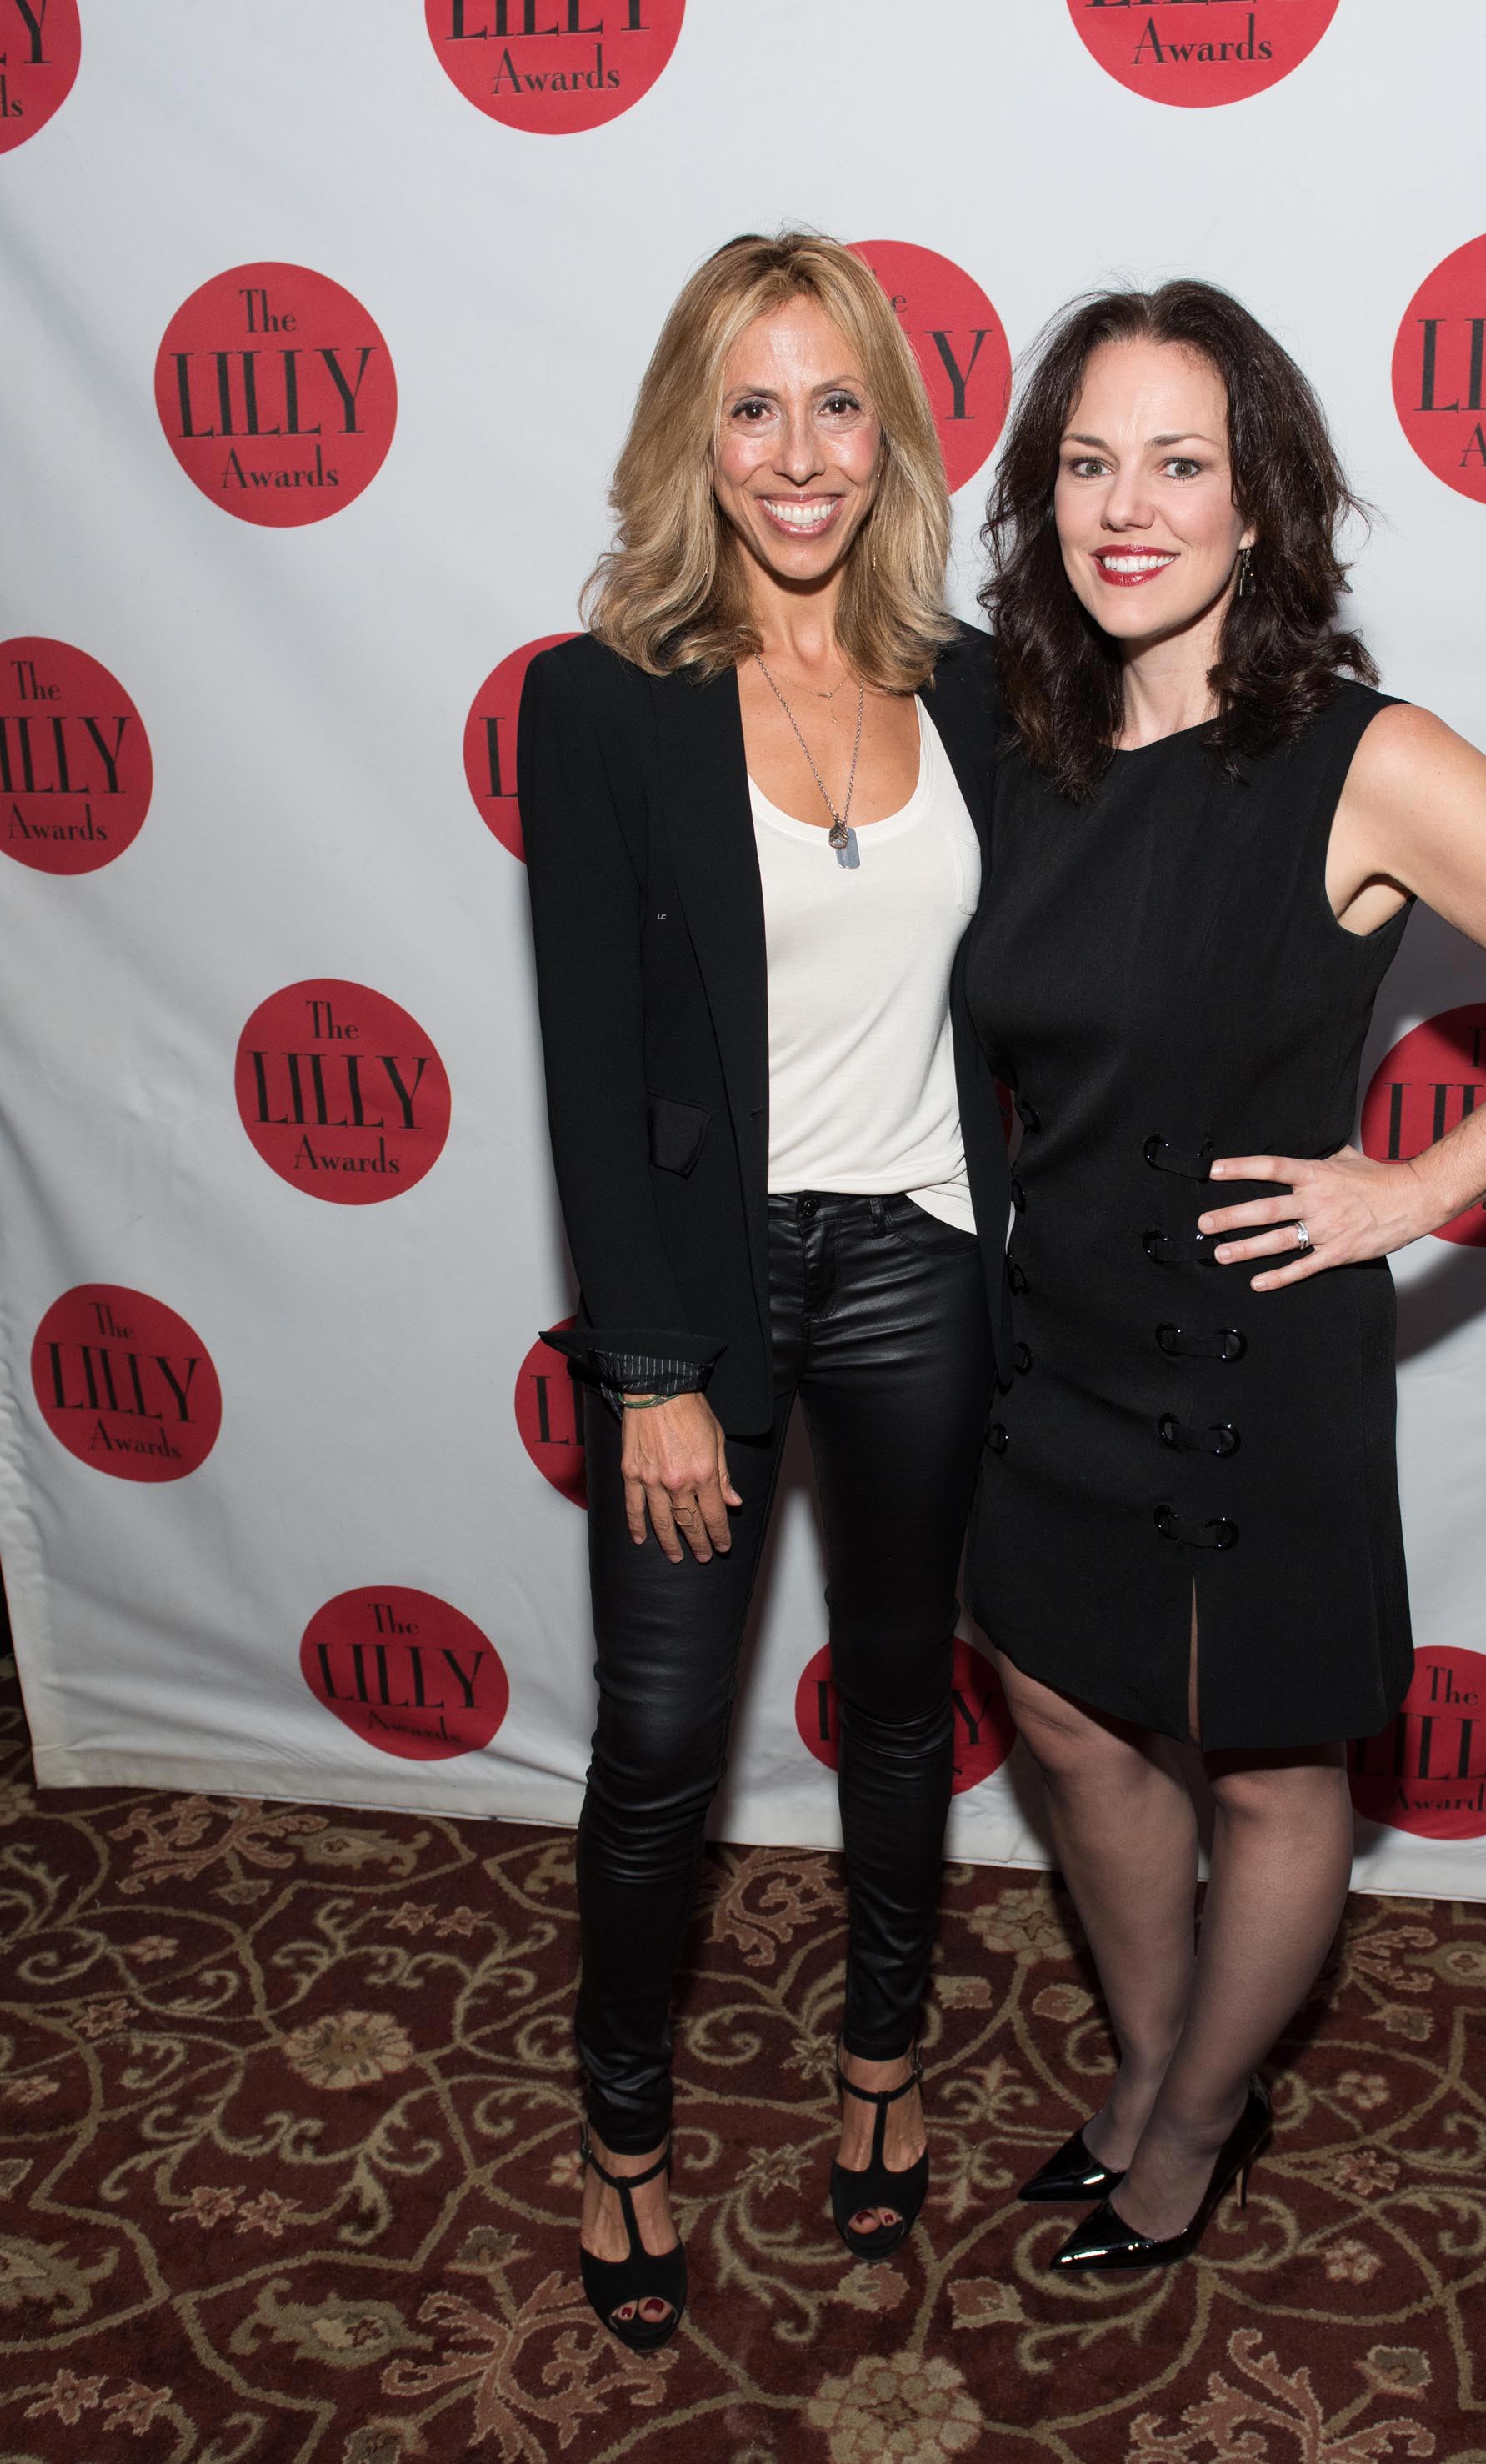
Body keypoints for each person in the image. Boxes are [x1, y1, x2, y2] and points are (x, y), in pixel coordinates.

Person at [967, 282, 1486, 2272]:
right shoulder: (1008, 734)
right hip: (1054, 1349)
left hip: (1246, 1359)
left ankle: (1197, 2126)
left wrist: (1411, 1189)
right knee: (1066, 1720)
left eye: (1181, 464)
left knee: (1278, 1771)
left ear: (1264, 506)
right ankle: (1145, 2061)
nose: (1132, 507)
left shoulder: (1361, 761)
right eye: (1090, 462)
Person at [518, 231, 1009, 2347]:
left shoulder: (973, 681)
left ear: (887, 423)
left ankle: (884, 2066)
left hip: (925, 1263)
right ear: (690, 438)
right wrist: (649, 1370)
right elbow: (591, 1067)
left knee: (905, 1703)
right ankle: (625, 2134)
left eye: (835, 403)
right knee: (656, 1744)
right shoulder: (600, 701)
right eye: (751, 407)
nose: (798, 454)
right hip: (703, 1302)